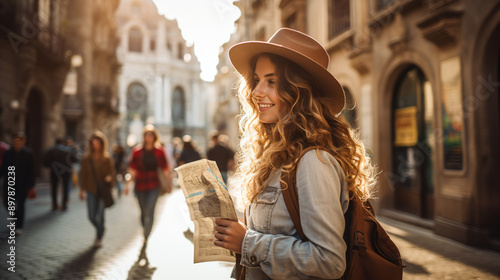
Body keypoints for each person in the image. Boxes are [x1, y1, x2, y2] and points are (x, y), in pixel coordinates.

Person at [213, 28, 377, 279]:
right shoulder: (275, 153)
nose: (257, 91)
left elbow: (329, 261)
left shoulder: (313, 161)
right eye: (256, 80)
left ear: (298, 92)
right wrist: (236, 229)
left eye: (271, 81)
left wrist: (248, 242)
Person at [125, 124, 169, 265]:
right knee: (143, 213)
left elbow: (165, 169)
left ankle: (146, 236)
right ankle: (145, 231)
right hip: (140, 186)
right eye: (146, 134)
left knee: (150, 210)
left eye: (151, 135)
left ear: (154, 137)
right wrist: (127, 185)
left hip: (153, 185)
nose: (148, 137)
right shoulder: (137, 151)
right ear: (144, 137)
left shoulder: (159, 151)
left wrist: (168, 184)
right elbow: (132, 169)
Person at [79, 131, 115, 247]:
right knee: (91, 216)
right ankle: (101, 228)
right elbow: (83, 175)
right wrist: (82, 189)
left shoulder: (107, 158)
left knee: (100, 214)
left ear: (102, 143)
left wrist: (110, 178)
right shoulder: (86, 159)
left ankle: (99, 237)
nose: (95, 145)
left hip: (102, 190)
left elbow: (112, 173)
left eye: (97, 142)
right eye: (93, 143)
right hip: (91, 189)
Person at [0, 132, 36, 235]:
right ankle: (15, 217)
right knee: (7, 202)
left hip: (23, 184)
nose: (16, 143)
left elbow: (31, 171)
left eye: (19, 141)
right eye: (15, 141)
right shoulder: (8, 153)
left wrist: (31, 186)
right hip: (9, 182)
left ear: (23, 141)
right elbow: (3, 169)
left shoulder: (28, 153)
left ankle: (19, 226)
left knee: (21, 205)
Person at [43, 138, 72, 211]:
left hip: (54, 171)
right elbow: (73, 159)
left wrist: (49, 167)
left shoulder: (50, 150)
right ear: (62, 142)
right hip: (66, 171)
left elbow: (45, 161)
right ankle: (64, 204)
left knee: (54, 188)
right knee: (65, 187)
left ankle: (55, 205)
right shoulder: (67, 150)